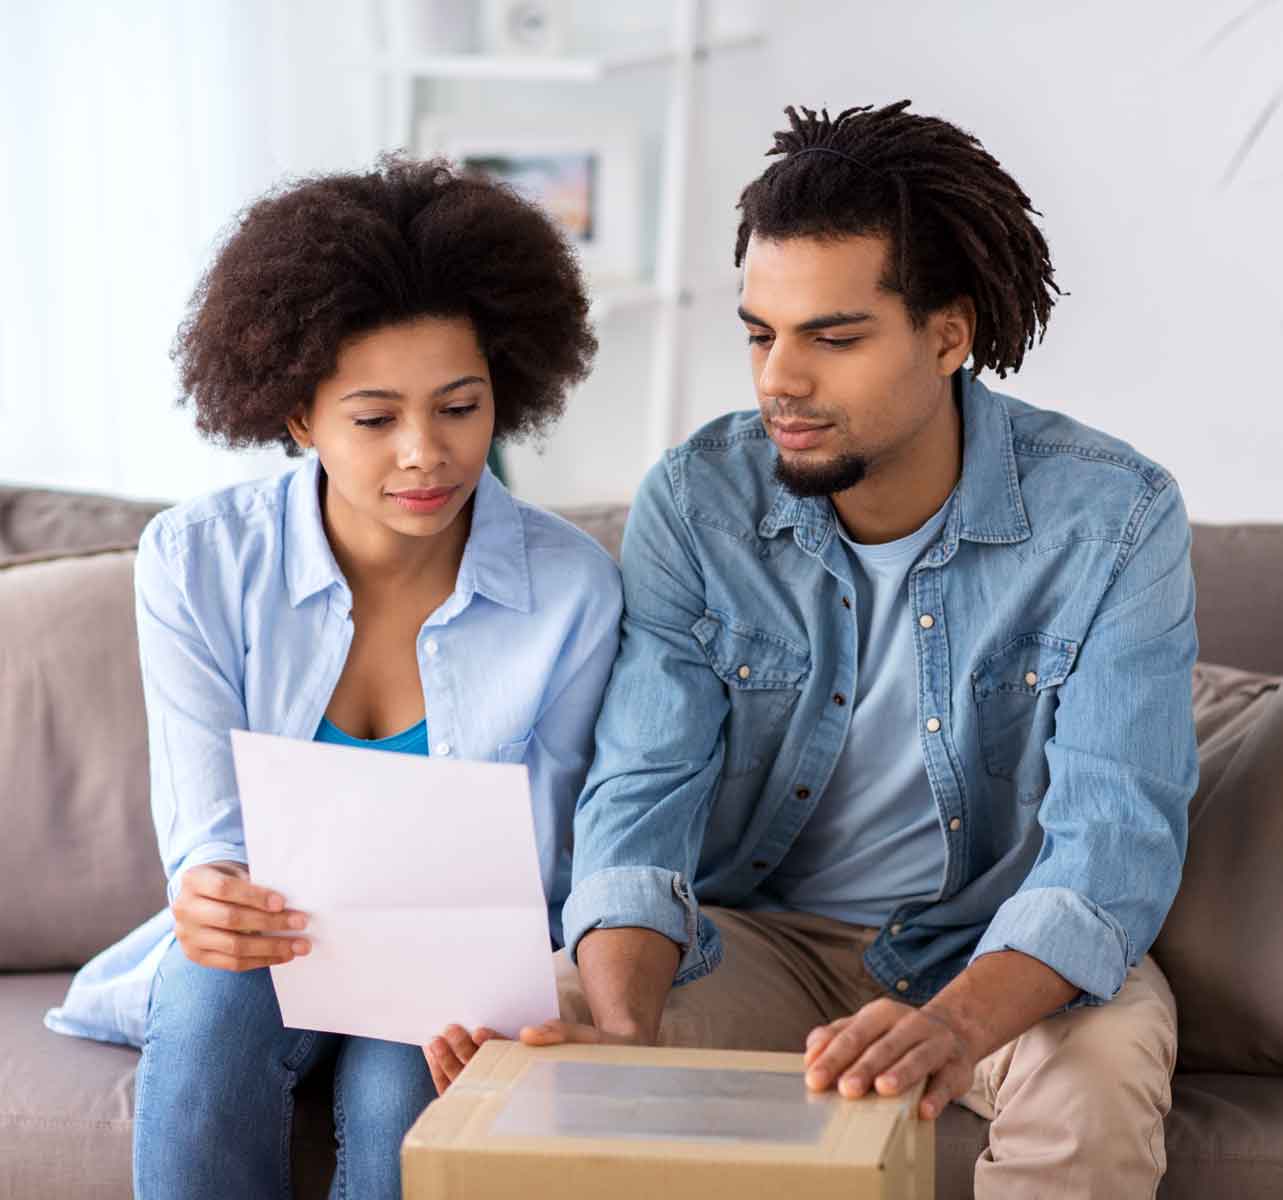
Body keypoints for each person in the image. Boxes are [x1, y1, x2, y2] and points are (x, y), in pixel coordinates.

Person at [429, 101, 1199, 1197]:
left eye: (831, 339)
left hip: (994, 943)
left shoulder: (1111, 518)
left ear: (946, 334)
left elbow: (1112, 838)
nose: (777, 380)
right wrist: (618, 1029)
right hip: (754, 939)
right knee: (539, 1039)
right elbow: (640, 798)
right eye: (758, 332)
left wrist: (949, 1025)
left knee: (1099, 1076)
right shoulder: (697, 503)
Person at [44, 156, 622, 1200]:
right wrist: (210, 893)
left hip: (451, 953)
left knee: (408, 1080)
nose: (426, 455)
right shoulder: (195, 560)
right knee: (215, 995)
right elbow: (206, 831)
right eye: (373, 418)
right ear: (297, 417)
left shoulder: (572, 589)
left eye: (460, 406)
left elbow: (552, 856)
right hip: (263, 953)